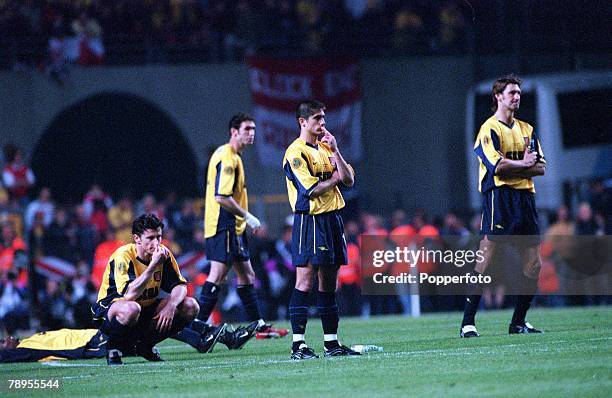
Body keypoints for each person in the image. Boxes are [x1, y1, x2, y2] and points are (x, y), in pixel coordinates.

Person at [175, 113, 285, 354]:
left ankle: (258, 325)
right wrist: (248, 216)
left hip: (233, 227)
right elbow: (221, 196)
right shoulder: (227, 157)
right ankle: (199, 328)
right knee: (217, 275)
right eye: (246, 129)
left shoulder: (234, 156)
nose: (251, 133)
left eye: (253, 129)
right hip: (222, 225)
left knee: (247, 273)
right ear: (233, 132)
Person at [460, 75, 546, 338]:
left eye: (518, 93)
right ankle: (467, 323)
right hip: (499, 197)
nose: (516, 97)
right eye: (511, 93)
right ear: (498, 96)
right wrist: (523, 164)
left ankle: (518, 322)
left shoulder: (527, 129)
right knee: (486, 259)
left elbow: (541, 167)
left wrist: (515, 167)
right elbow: (495, 166)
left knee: (534, 264)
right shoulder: (489, 129)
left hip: (525, 199)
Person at [282, 100, 360, 359]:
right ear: (302, 122)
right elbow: (310, 190)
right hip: (311, 220)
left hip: (332, 219)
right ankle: (298, 345)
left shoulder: (327, 147)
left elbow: (348, 179)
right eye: (317, 118)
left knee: (329, 283)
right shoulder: (295, 153)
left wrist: (336, 151)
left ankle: (331, 344)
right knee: (305, 280)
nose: (322, 123)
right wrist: (336, 177)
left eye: (324, 118)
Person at [91, 214, 200, 365]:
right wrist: (153, 266)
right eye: (150, 238)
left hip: (143, 308)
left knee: (190, 306)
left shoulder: (164, 254)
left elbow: (180, 285)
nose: (156, 243)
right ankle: (113, 348)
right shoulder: (123, 256)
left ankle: (145, 346)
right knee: (131, 308)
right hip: (111, 312)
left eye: (159, 237)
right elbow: (129, 295)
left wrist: (171, 305)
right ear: (137, 238)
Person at [0, 329, 107, 363]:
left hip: (91, 334)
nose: (8, 338)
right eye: (3, 341)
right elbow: (4, 356)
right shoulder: (27, 349)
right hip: (87, 344)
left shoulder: (28, 341)